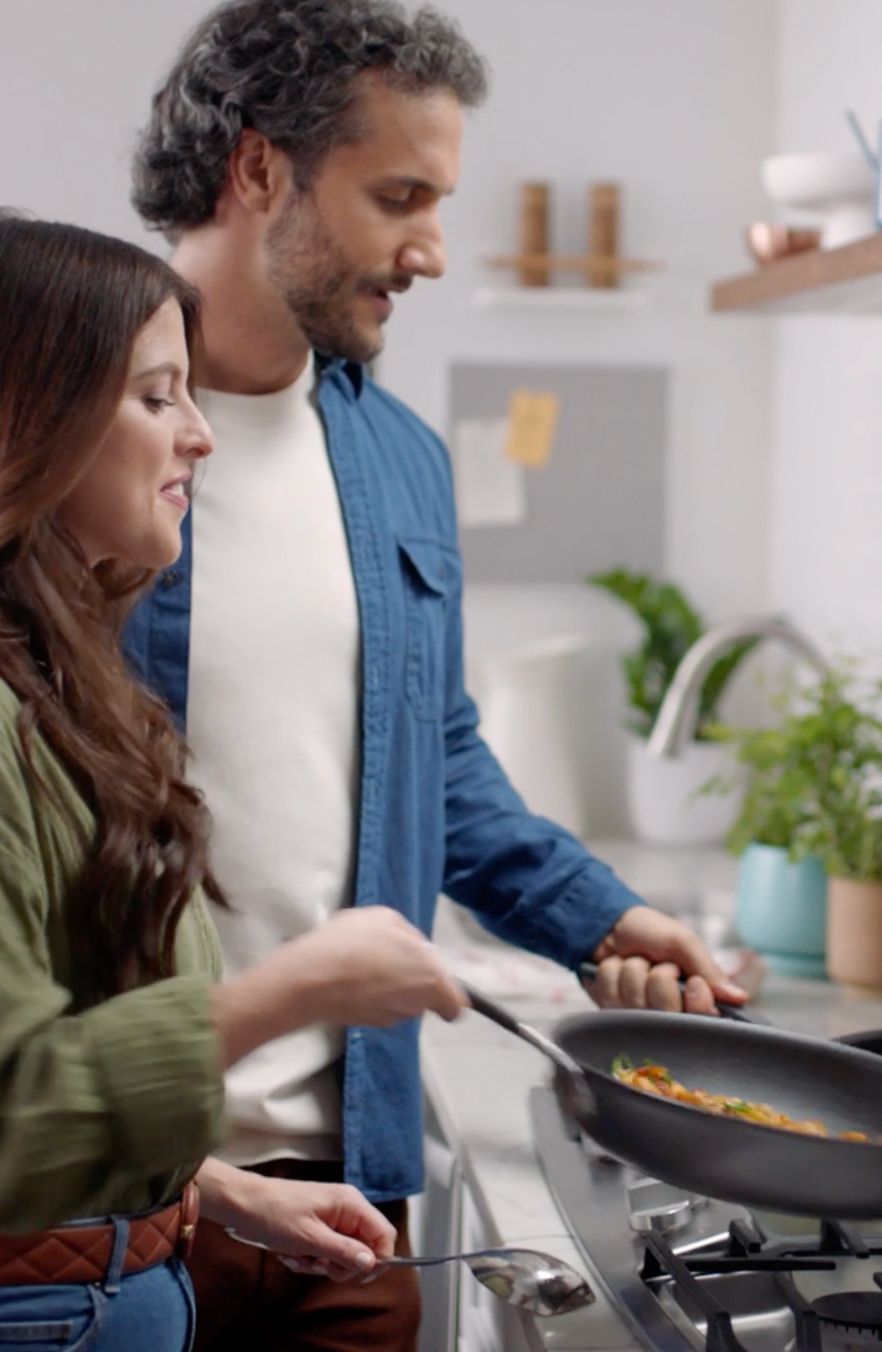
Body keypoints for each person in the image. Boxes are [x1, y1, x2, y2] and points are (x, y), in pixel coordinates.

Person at [128, 2, 749, 1348]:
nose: (431, 251)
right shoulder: (67, 437)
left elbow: (437, 754)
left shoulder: (401, 460)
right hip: (121, 1196)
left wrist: (601, 918)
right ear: (259, 168)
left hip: (353, 1192)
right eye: (398, 198)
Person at [0, 211, 467, 1351]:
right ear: (30, 419)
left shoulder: (65, 684)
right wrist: (291, 987)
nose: (201, 435)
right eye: (156, 397)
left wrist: (224, 1190)